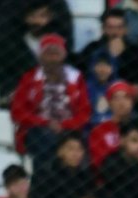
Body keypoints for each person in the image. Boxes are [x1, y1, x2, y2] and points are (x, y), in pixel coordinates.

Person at [10, 34, 92, 170]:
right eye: (49, 53)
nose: (53, 58)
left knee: (80, 141)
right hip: (38, 128)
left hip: (69, 128)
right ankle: (47, 177)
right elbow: (17, 112)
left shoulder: (76, 78)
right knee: (44, 138)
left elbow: (85, 113)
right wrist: (45, 123)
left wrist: (65, 125)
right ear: (41, 56)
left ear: (63, 56)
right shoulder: (29, 78)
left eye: (56, 53)